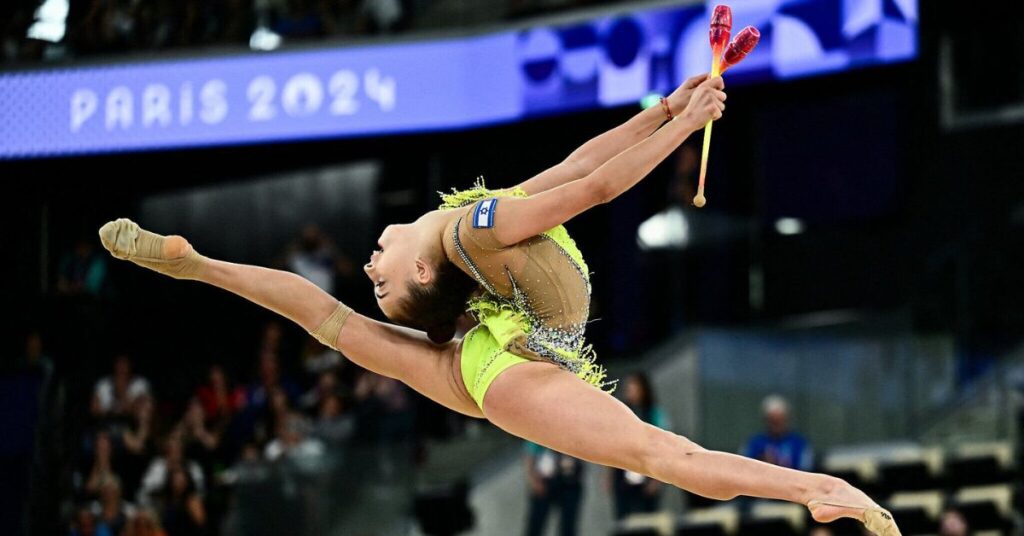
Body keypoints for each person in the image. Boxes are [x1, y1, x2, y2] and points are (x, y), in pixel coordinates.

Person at [97, 73, 899, 536]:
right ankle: (814, 491)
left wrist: (660, 112)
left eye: (374, 274)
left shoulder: (471, 246)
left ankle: (813, 492)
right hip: (518, 356)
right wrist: (681, 129)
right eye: (383, 282)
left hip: (497, 359)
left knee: (665, 455)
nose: (371, 267)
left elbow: (573, 166)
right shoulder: (466, 236)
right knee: (664, 456)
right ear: (423, 276)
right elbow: (592, 189)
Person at [608, 373, 668, 519]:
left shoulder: (654, 413)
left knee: (648, 519)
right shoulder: (620, 413)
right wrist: (608, 476)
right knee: (622, 519)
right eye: (628, 388)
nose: (630, 392)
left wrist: (657, 480)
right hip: (623, 475)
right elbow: (611, 445)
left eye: (634, 388)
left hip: (648, 473)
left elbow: (663, 448)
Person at [524, 441, 584, 536]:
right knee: (536, 524)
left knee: (568, 526)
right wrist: (533, 479)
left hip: (570, 481)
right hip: (545, 481)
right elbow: (530, 454)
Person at [744, 395, 813, 471]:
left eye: (780, 420)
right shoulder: (755, 443)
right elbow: (745, 469)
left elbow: (805, 470)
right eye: (773, 421)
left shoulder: (799, 443)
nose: (777, 425)